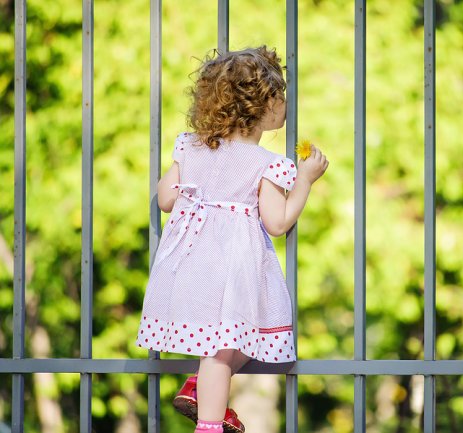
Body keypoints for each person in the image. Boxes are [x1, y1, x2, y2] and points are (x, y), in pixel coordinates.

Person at [135, 46, 329, 433]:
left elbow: (166, 198)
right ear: (266, 105)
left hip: (189, 263)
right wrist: (304, 181)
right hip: (232, 269)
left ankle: (200, 388)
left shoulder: (189, 146)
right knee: (226, 348)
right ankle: (208, 426)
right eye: (281, 96)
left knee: (223, 346)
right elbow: (277, 222)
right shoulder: (266, 164)